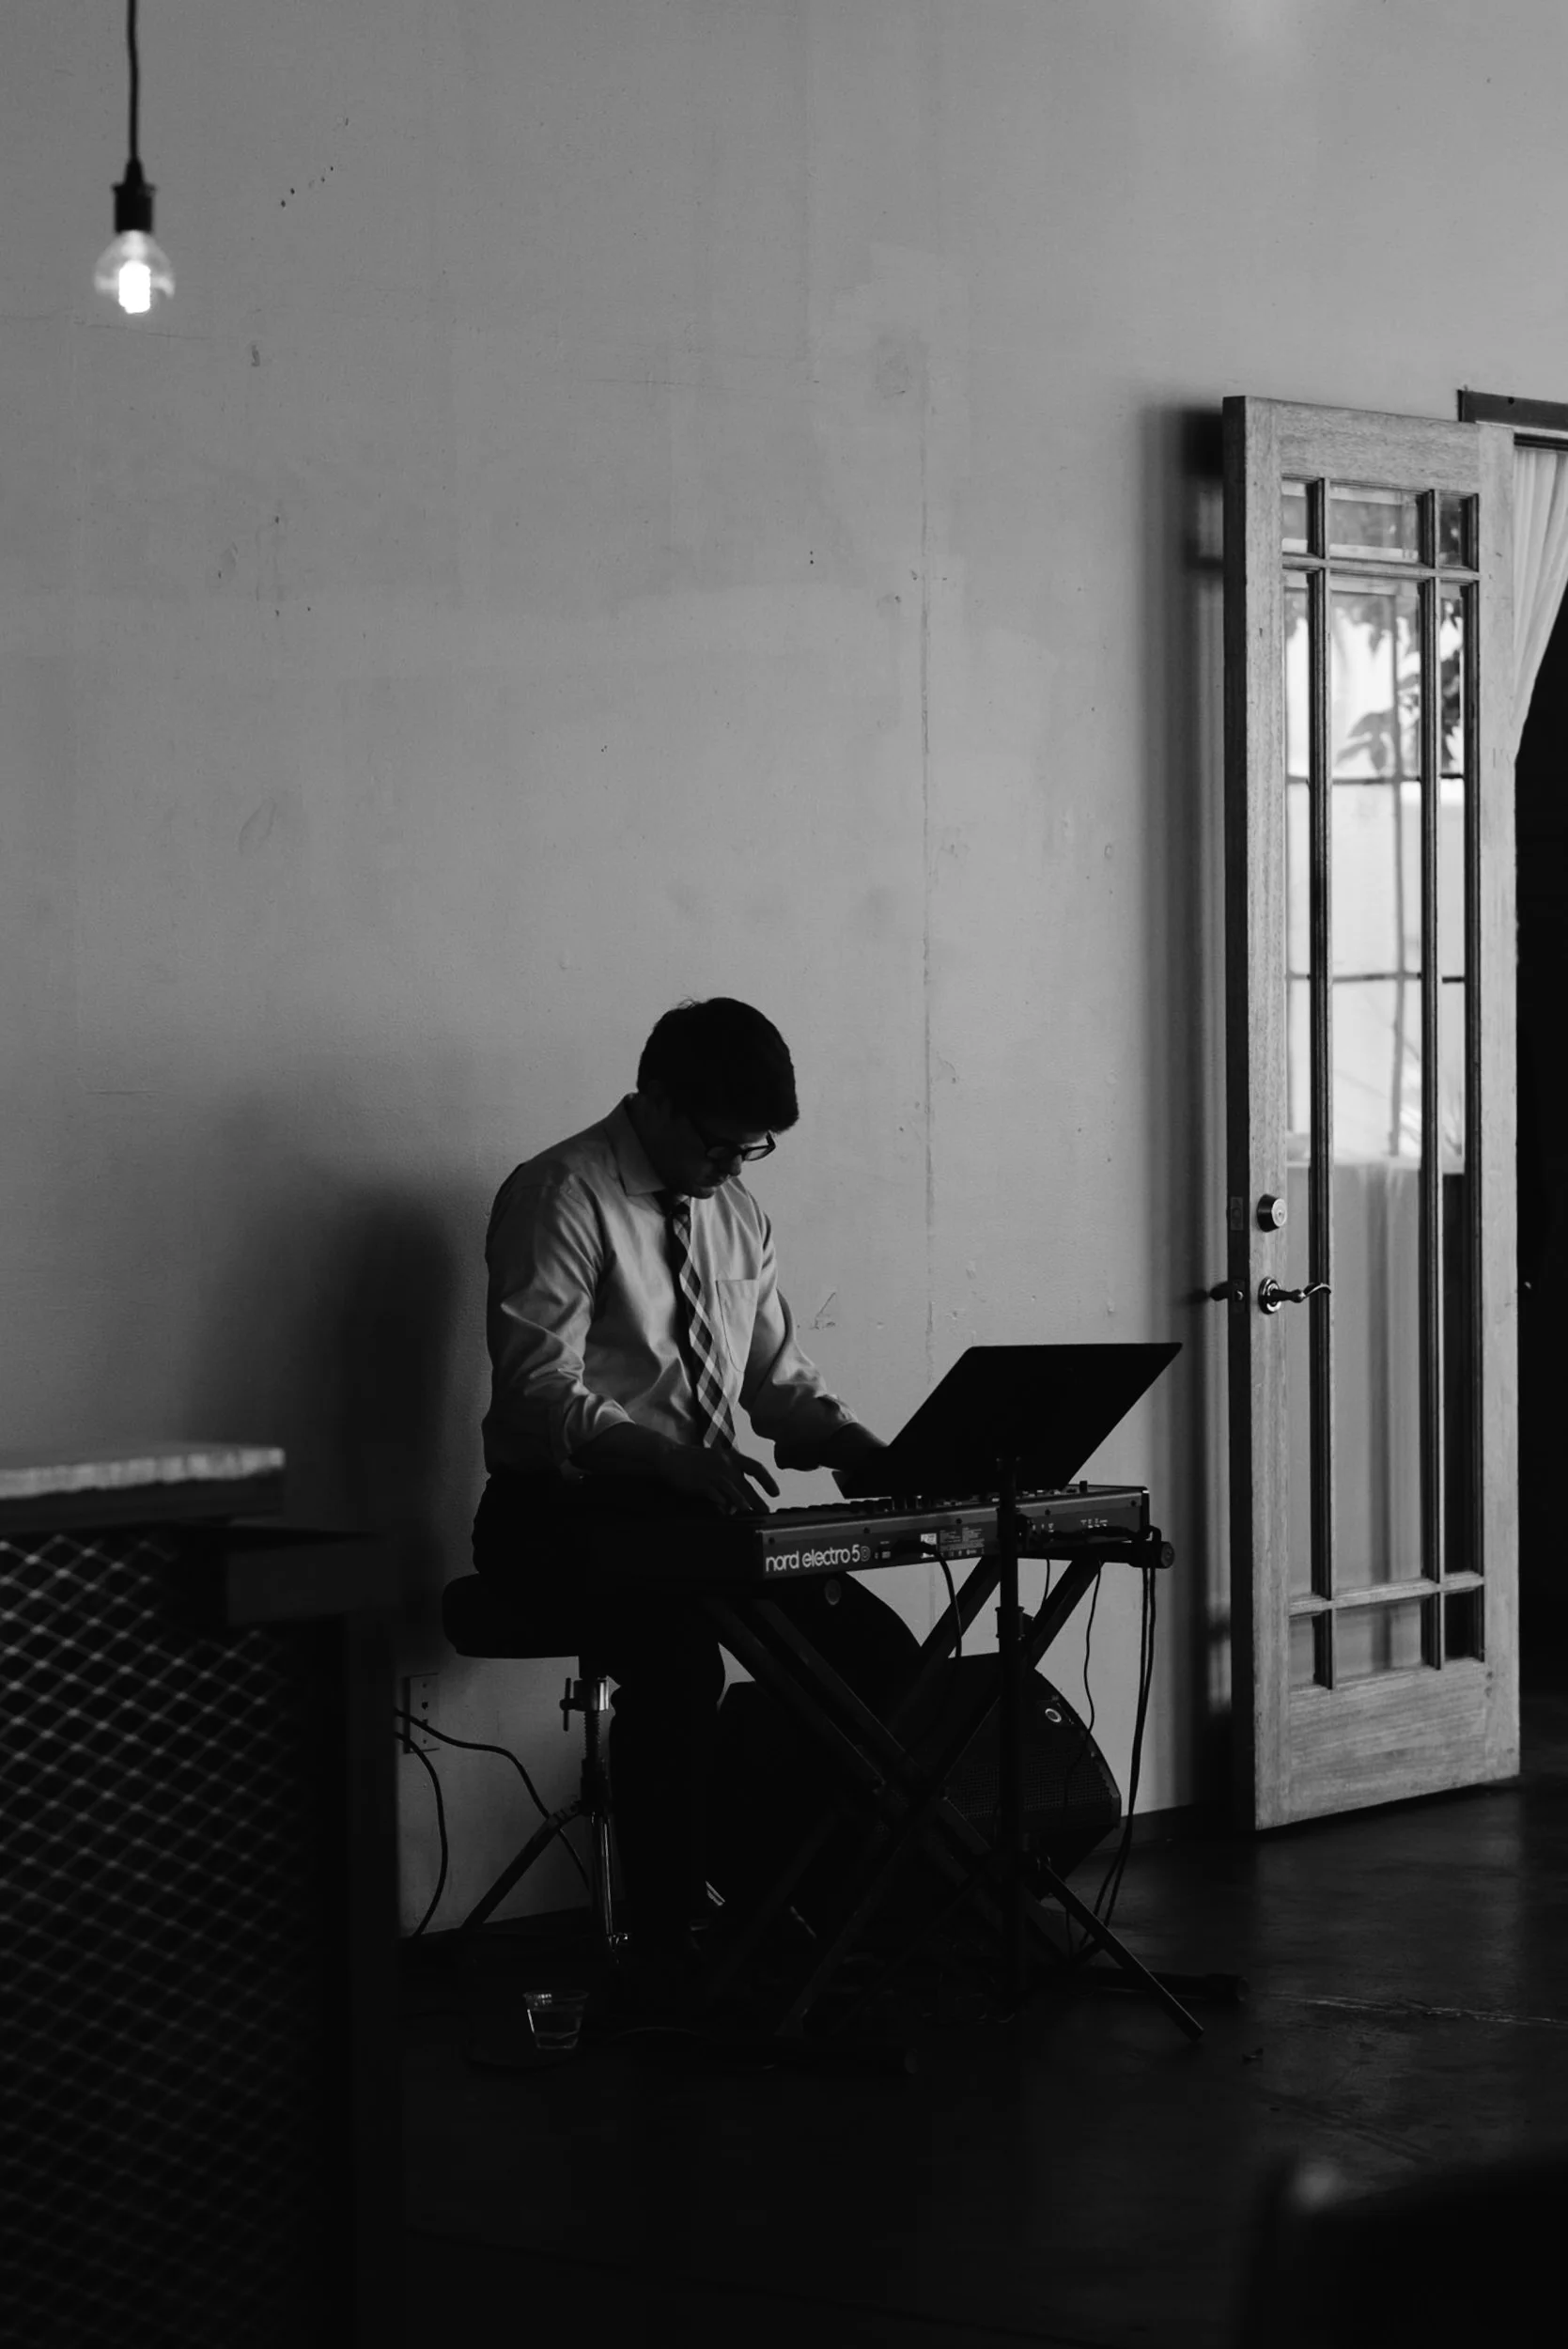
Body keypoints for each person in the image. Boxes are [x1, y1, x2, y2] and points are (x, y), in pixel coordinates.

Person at [472, 996, 917, 1978]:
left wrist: (858, 1445)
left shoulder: (737, 1213)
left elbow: (776, 1383)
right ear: (659, 1102)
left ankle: (784, 1884)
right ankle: (668, 1946)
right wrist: (666, 1455)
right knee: (678, 1667)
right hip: (558, 1513)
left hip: (696, 1518)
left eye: (752, 1151)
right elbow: (539, 1394)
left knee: (876, 1653)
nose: (730, 1169)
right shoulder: (560, 1193)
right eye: (720, 1145)